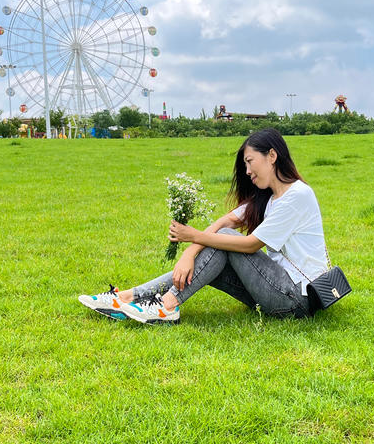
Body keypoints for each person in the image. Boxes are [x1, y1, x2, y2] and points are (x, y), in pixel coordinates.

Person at [78, 128, 329, 325]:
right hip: (273, 292)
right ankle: (129, 298)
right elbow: (224, 221)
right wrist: (190, 253)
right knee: (213, 256)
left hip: (296, 298)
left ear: (272, 156)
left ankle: (164, 305)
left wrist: (193, 236)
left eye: (250, 162)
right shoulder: (269, 197)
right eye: (245, 165)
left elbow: (251, 244)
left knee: (224, 240)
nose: (247, 171)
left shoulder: (297, 195)